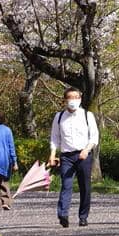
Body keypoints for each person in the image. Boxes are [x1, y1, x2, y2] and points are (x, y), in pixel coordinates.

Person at [48, 88, 100, 228]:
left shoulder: (87, 115)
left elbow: (94, 136)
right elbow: (54, 138)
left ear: (80, 99)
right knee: (66, 185)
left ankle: (83, 216)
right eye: (70, 98)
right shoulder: (59, 117)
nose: (73, 100)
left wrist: (87, 149)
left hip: (84, 155)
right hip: (66, 156)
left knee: (85, 186)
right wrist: (52, 154)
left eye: (76, 97)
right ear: (64, 100)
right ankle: (63, 214)